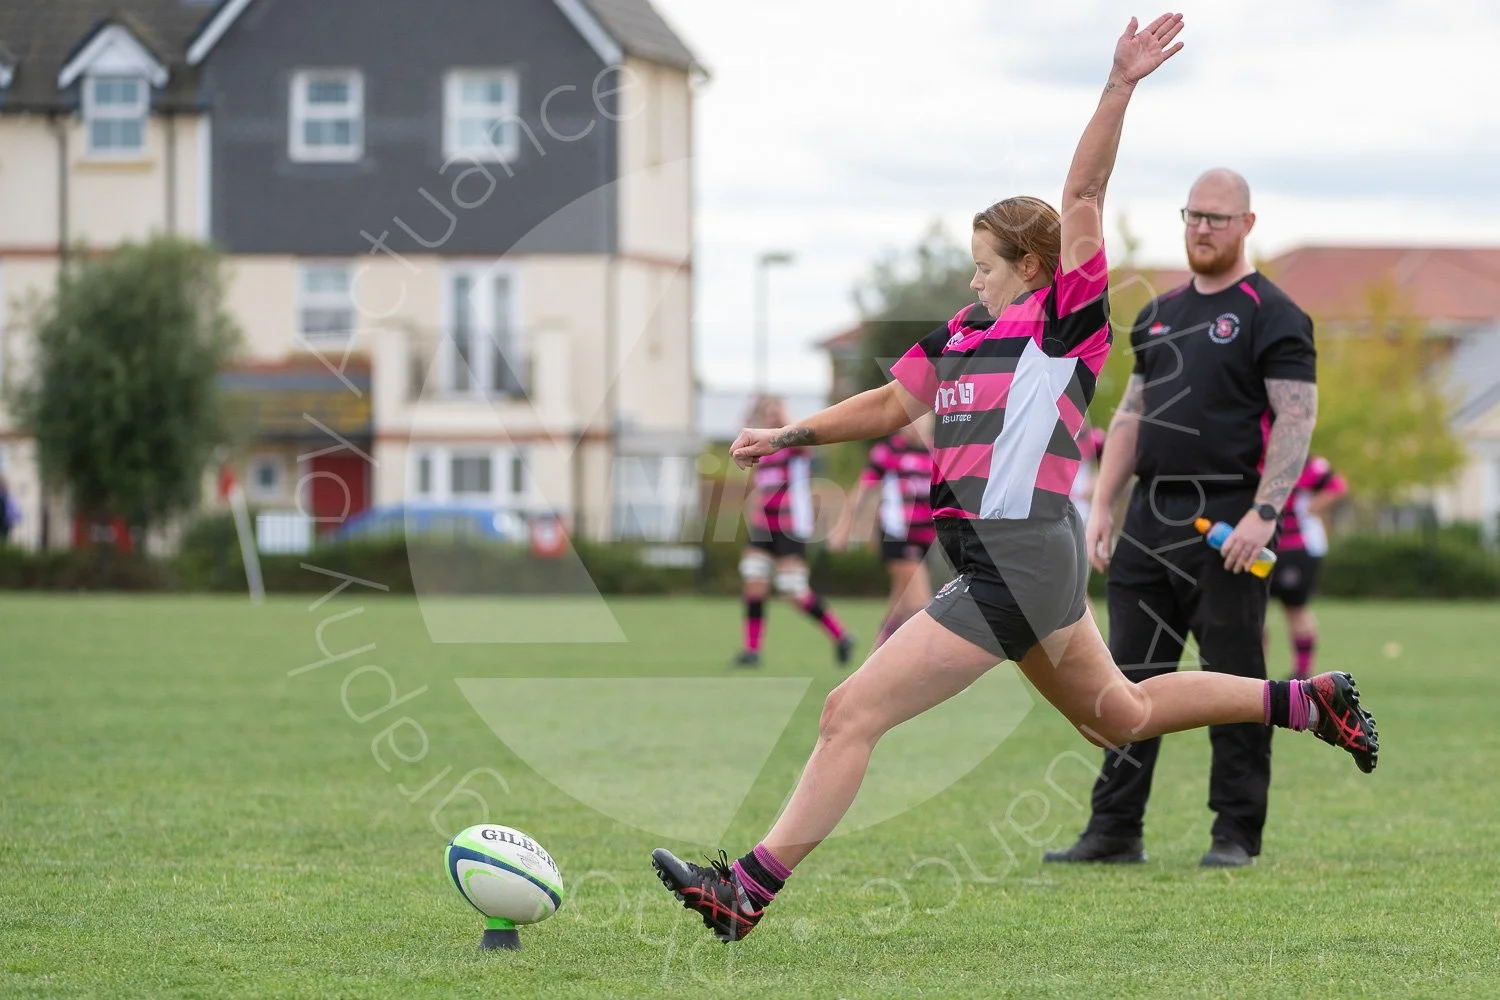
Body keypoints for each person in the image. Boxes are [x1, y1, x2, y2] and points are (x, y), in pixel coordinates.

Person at [651, 15, 1377, 944]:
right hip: (1019, 558)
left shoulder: (1060, 324)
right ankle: (1306, 701)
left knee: (848, 711)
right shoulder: (963, 333)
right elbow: (885, 404)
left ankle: (747, 889)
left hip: (1019, 555)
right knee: (1120, 715)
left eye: (987, 268)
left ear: (1034, 268)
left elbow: (1084, 187)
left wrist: (1119, 83)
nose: (976, 282)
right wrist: (787, 433)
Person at [1042, 166, 1330, 870]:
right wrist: (1102, 504)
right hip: (1150, 515)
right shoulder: (1159, 311)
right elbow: (1132, 414)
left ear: (1247, 226)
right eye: (1193, 215)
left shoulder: (1275, 313)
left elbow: (1296, 419)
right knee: (1125, 682)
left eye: (1218, 218)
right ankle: (1114, 831)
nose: (1202, 228)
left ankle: (1235, 834)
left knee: (1235, 681)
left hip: (1231, 519)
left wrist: (1267, 512)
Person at [730, 394, 856, 669]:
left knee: (792, 590)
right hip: (764, 526)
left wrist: (783, 423)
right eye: (768, 413)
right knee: (753, 579)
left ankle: (841, 635)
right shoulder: (761, 451)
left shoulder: (794, 446)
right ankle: (751, 651)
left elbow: (799, 435)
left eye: (777, 412)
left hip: (790, 527)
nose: (772, 417)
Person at [828, 412, 937, 651]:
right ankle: (931, 667)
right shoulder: (887, 452)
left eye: (922, 417)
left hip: (926, 541)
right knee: (922, 605)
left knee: (899, 606)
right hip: (897, 536)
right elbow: (862, 492)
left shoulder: (937, 452)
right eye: (911, 419)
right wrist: (843, 530)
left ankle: (878, 656)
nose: (917, 423)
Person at [1270, 455, 1348, 680]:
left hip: (1296, 548)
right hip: (1263, 545)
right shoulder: (1259, 454)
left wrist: (1310, 509)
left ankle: (1303, 671)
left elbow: (1337, 486)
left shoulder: (1305, 462)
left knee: (1296, 608)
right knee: (1254, 612)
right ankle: (1252, 673)